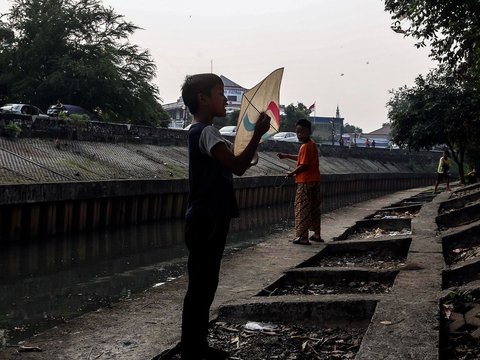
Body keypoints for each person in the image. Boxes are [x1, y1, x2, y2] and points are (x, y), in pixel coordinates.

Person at [180, 73, 270, 360]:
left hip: (205, 217)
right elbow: (238, 166)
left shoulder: (201, 132)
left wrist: (246, 146)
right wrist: (257, 133)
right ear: (202, 99)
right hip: (207, 218)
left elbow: (232, 163)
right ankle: (193, 349)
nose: (225, 99)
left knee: (204, 284)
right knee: (201, 286)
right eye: (220, 93)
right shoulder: (205, 133)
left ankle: (196, 346)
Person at [277, 119, 322, 245]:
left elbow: (304, 165)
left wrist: (292, 173)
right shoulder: (311, 144)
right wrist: (286, 156)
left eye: (302, 132)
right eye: (297, 132)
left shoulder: (305, 146)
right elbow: (302, 159)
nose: (299, 135)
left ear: (308, 131)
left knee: (302, 208)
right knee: (314, 208)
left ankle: (302, 237)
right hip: (315, 180)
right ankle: (317, 234)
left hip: (305, 182)